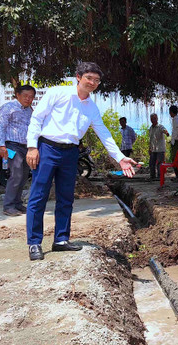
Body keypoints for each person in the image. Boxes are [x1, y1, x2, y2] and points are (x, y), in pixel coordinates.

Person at [25, 62, 137, 261]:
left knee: (66, 197)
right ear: (78, 77)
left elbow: (103, 133)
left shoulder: (92, 108)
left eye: (96, 80)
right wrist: (32, 147)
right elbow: (36, 118)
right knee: (38, 195)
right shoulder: (57, 93)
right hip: (47, 148)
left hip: (70, 153)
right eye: (89, 78)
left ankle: (61, 239)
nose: (92, 83)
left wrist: (120, 158)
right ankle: (34, 242)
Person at [0, 84, 36, 216]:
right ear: (18, 95)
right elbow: (1, 127)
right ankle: (8, 206)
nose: (28, 99)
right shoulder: (8, 108)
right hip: (12, 145)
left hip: (26, 146)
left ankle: (18, 204)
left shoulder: (29, 110)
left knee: (24, 175)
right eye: (25, 96)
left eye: (31, 97)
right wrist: (1, 146)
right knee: (16, 174)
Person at [147, 113, 168, 180]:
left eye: (155, 118)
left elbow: (164, 130)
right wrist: (149, 148)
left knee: (160, 163)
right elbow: (151, 139)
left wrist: (166, 133)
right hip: (153, 149)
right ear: (150, 120)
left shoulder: (160, 126)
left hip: (160, 149)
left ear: (157, 119)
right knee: (151, 163)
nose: (153, 120)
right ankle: (152, 176)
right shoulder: (150, 128)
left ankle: (160, 177)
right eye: (152, 119)